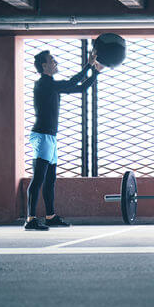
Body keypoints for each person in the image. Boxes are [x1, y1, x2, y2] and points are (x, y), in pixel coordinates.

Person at [24, 48, 102, 230]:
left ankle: (50, 216)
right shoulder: (44, 84)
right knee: (38, 179)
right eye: (52, 60)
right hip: (42, 136)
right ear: (44, 66)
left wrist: (95, 73)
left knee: (50, 179)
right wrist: (89, 65)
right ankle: (30, 219)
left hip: (50, 138)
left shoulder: (51, 85)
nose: (55, 62)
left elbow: (81, 88)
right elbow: (72, 81)